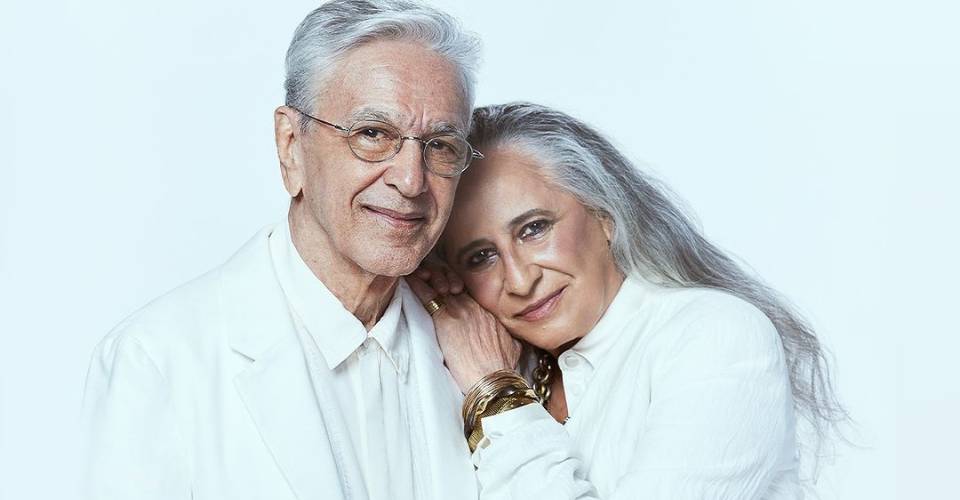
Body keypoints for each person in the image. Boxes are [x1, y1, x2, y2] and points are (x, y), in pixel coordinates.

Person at [81, 1, 485, 499]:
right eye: (373, 134)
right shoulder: (159, 361)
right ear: (290, 144)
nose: (410, 180)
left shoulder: (482, 347)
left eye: (441, 145)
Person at [408, 102, 846, 499]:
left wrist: (497, 393)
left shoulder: (715, 334)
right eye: (481, 257)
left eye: (534, 229)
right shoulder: (496, 362)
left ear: (604, 213)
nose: (520, 280)